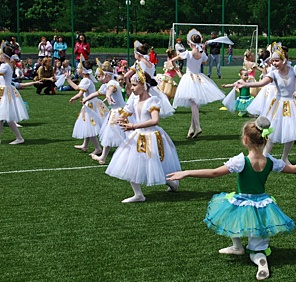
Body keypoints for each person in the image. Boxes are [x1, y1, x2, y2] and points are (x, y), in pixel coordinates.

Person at [166, 116, 296, 281]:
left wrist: (187, 172)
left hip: (242, 201)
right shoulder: (270, 161)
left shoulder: (241, 161)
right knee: (250, 233)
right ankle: (250, 254)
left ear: (245, 140)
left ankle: (249, 254)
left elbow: (214, 173)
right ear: (265, 140)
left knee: (231, 213)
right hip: (262, 205)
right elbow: (294, 169)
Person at [105, 66, 181, 202]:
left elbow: (155, 120)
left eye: (134, 85)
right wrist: (120, 118)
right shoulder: (134, 99)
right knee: (130, 163)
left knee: (155, 164)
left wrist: (133, 126)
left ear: (144, 86)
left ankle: (172, 183)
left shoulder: (152, 101)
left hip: (151, 136)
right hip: (138, 135)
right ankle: (138, 194)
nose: (132, 88)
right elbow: (128, 111)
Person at [237, 43, 296, 163]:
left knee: (292, 132)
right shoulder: (274, 73)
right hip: (279, 104)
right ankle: (265, 155)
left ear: (284, 60)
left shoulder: (294, 70)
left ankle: (285, 157)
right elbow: (261, 83)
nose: (274, 63)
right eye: (273, 61)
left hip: (293, 104)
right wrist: (246, 84)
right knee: (272, 130)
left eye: (277, 61)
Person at [172, 29, 224, 138]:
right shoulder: (201, 54)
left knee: (193, 104)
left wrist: (175, 66)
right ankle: (191, 128)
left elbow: (174, 59)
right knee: (194, 104)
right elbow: (204, 61)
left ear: (191, 43)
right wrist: (203, 50)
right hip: (198, 78)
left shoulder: (189, 53)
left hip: (189, 78)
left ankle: (198, 126)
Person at [66, 59, 108, 156]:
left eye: (78, 68)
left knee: (90, 126)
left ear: (83, 70)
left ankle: (97, 148)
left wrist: (73, 97)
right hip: (91, 104)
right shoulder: (87, 79)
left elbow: (79, 92)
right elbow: (79, 89)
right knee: (87, 125)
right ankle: (85, 145)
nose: (77, 70)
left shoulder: (85, 80)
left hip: (90, 105)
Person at [0, 45, 29, 144]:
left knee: (6, 117)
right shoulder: (8, 65)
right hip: (4, 91)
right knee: (3, 117)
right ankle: (18, 137)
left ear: (4, 56)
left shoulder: (4, 66)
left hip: (3, 92)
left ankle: (19, 138)